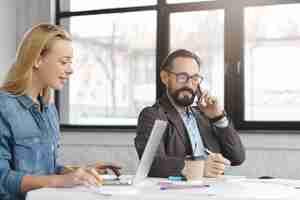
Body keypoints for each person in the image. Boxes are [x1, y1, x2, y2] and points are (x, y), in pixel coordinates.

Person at [0, 24, 121, 200]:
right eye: (64, 62)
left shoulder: (49, 109)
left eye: (70, 62)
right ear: (37, 59)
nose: (70, 70)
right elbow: (2, 179)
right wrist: (60, 180)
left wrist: (78, 172)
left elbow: (46, 170)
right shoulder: (4, 107)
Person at [135, 49, 245, 179]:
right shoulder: (153, 115)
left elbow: (237, 157)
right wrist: (199, 167)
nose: (188, 84)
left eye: (194, 78)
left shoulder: (204, 115)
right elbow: (151, 163)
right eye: (182, 77)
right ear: (165, 77)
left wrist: (218, 118)